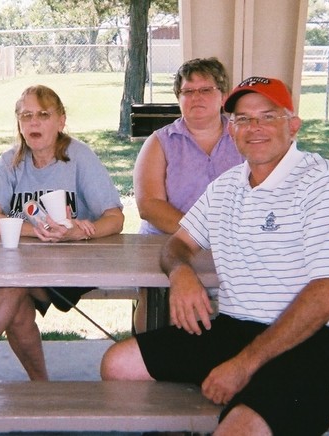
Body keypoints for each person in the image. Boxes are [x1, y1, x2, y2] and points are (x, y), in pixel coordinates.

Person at [101, 76, 329, 436]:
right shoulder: (227, 186)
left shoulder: (326, 182)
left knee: (239, 430)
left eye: (267, 116)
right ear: (231, 129)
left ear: (293, 124)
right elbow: (178, 243)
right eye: (243, 119)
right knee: (118, 364)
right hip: (235, 327)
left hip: (314, 341)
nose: (254, 128)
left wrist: (244, 365)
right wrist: (180, 273)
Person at [0, 85, 124, 381]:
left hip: (76, 264)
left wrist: (81, 234)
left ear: (61, 121)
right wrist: (36, 231)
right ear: (18, 122)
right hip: (23, 264)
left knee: (10, 287)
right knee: (16, 310)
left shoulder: (79, 157)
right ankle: (41, 385)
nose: (34, 123)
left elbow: (115, 218)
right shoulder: (10, 161)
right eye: (26, 115)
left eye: (43, 114)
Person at [133, 57, 243, 333]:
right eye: (188, 92)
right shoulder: (159, 142)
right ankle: (150, 354)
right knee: (164, 305)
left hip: (235, 243)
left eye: (205, 90)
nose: (196, 98)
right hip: (166, 244)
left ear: (224, 96)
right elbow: (149, 205)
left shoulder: (244, 138)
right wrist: (202, 234)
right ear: (178, 98)